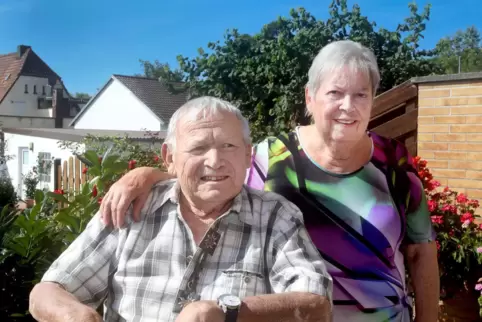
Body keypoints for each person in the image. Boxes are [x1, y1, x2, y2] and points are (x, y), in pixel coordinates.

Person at [100, 40, 439, 322]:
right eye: (335, 93)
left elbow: (421, 253)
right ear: (310, 98)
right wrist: (147, 175)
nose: (347, 107)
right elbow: (210, 177)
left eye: (361, 95)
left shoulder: (394, 163)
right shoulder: (270, 158)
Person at [29, 97, 333, 322]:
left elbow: (317, 304)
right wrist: (76, 316)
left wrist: (226, 311)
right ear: (169, 157)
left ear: (247, 156)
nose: (215, 161)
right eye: (198, 148)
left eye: (228, 146)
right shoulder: (132, 207)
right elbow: (46, 292)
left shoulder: (276, 216)